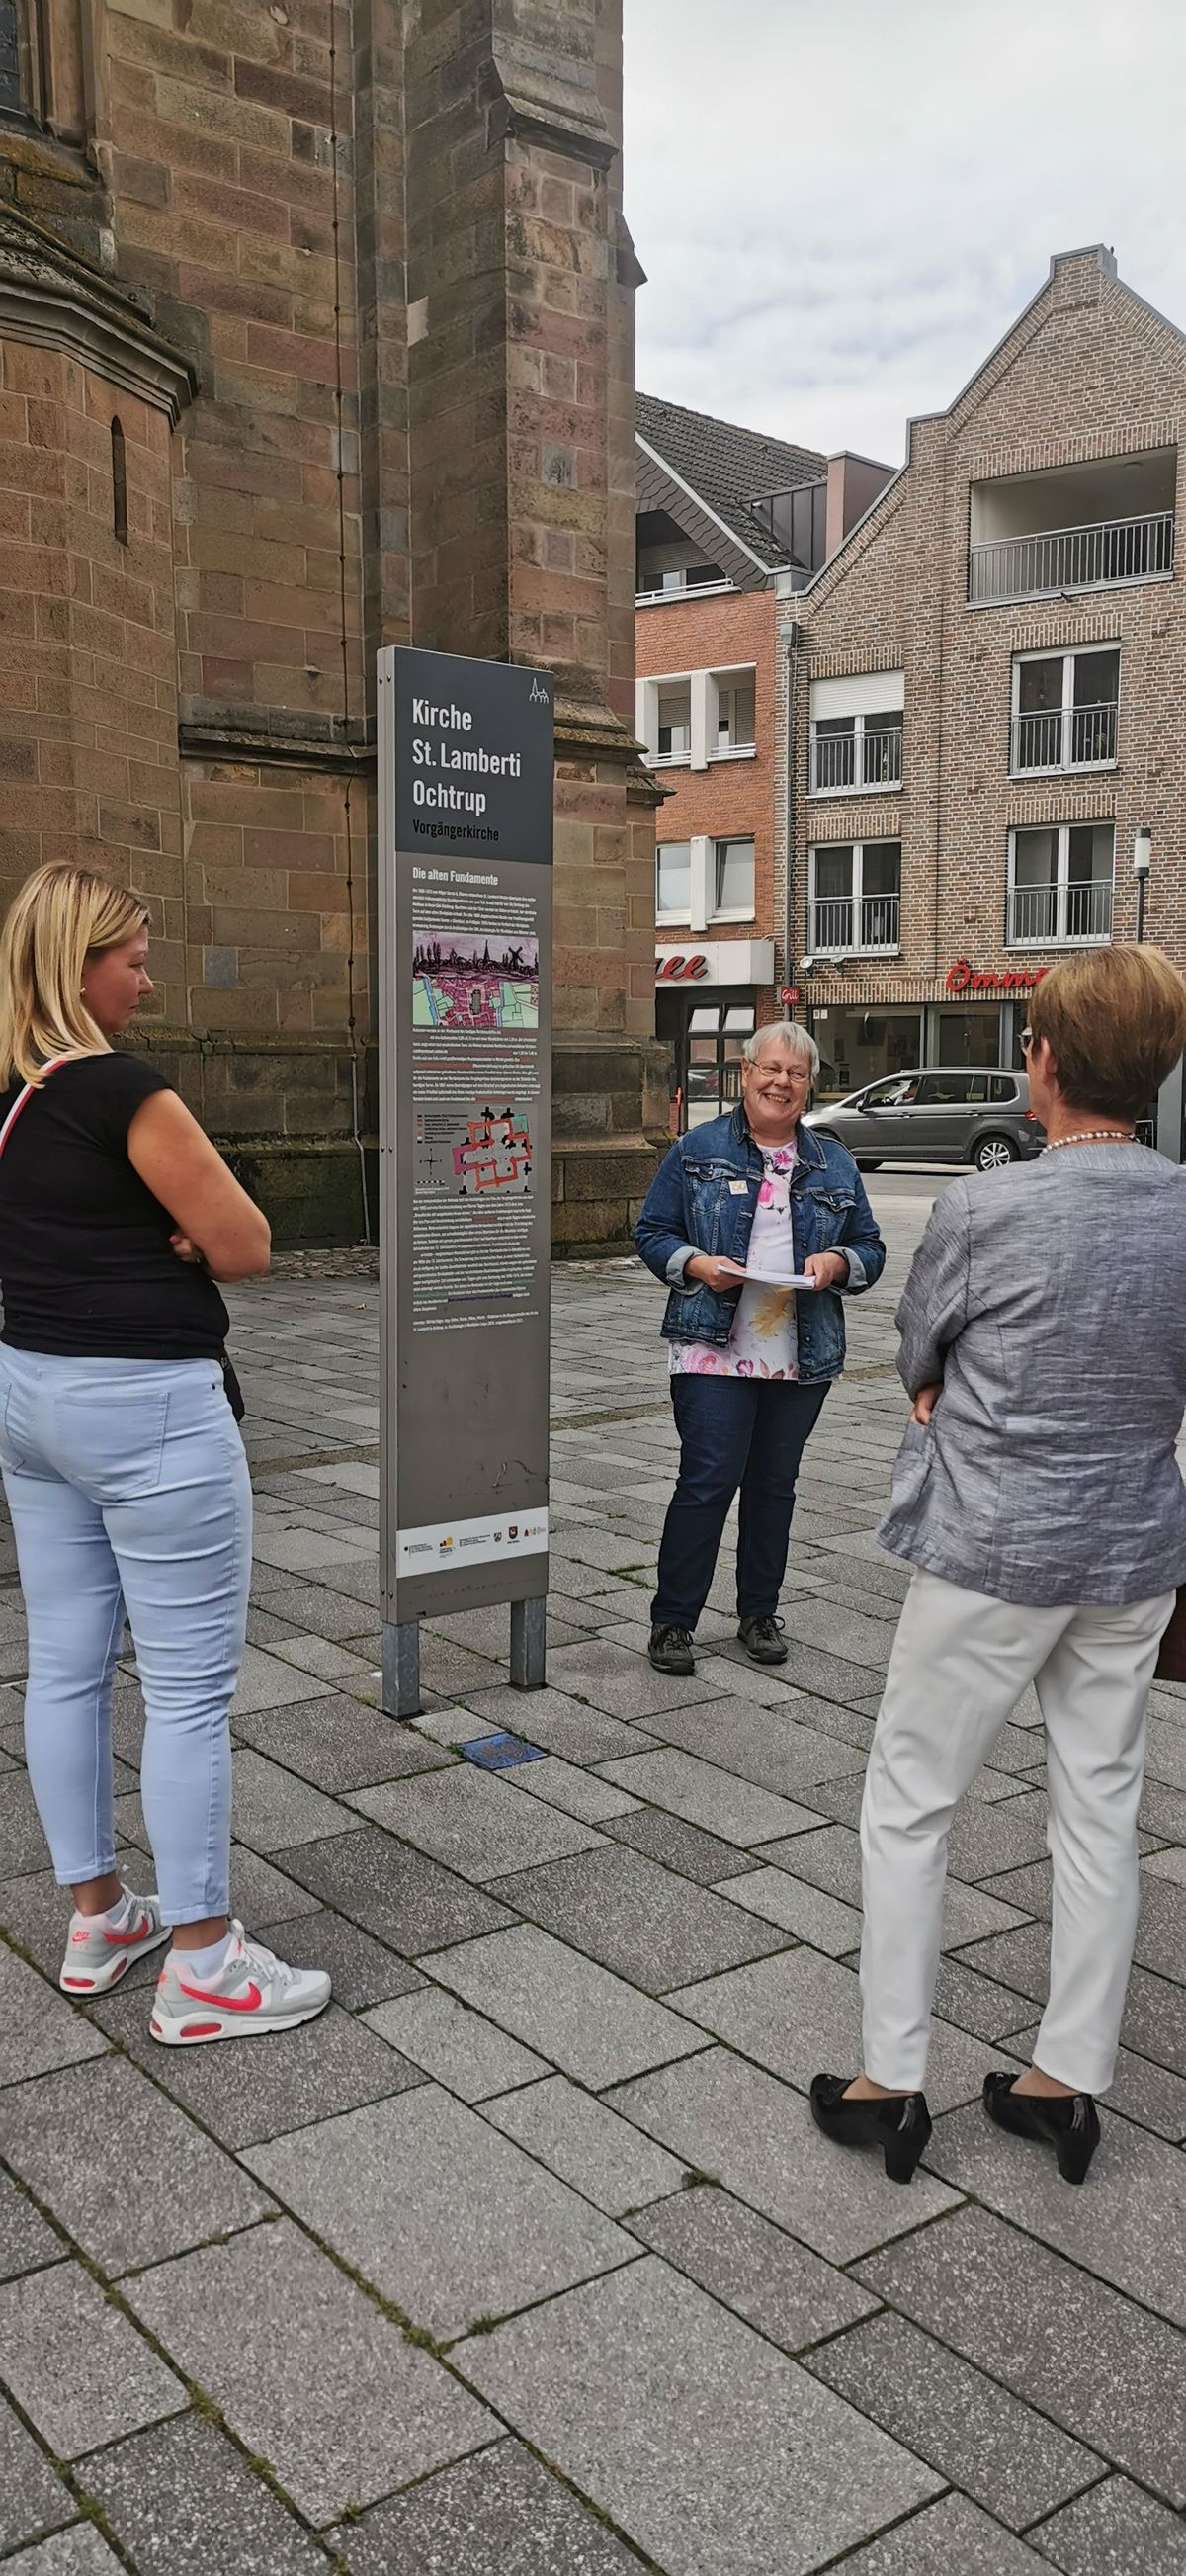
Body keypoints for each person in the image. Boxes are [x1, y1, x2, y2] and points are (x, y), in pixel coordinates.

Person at [811, 945, 1186, 2186]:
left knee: (912, 1800)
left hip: (994, 1544)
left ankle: (892, 2079)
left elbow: (922, 1348)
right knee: (1100, 1804)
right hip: (1132, 1549)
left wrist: (943, 1389)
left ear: (1045, 1058)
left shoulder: (985, 1206)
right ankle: (1063, 2082)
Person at [0, 864, 330, 2046]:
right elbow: (249, 1240)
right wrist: (186, 1233)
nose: (148, 976)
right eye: (131, 957)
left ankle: (99, 1915)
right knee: (189, 1691)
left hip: (30, 1396)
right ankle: (204, 1963)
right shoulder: (123, 1090)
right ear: (76, 963)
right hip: (146, 1407)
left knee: (67, 1665)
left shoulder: (14, 1096)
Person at [635, 1022, 886, 1676]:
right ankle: (673, 1623)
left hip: (801, 1350)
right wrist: (694, 1264)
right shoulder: (697, 1149)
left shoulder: (833, 1161)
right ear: (744, 1074)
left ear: (809, 1086)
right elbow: (653, 1231)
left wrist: (838, 1263)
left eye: (796, 1074)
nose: (782, 1083)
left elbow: (872, 1247)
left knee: (774, 1485)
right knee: (710, 1477)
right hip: (712, 1347)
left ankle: (757, 1613)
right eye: (770, 1070)